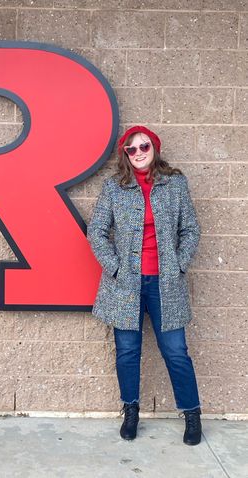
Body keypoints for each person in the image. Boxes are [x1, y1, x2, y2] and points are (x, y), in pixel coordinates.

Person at [87, 125, 202, 446]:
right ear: (125, 153)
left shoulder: (175, 184)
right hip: (125, 286)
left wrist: (178, 264)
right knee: (127, 352)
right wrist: (115, 267)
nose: (138, 153)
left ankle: (192, 414)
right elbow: (96, 231)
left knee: (176, 352)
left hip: (166, 284)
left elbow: (191, 229)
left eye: (144, 146)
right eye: (132, 149)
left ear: (155, 148)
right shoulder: (114, 188)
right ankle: (131, 411)